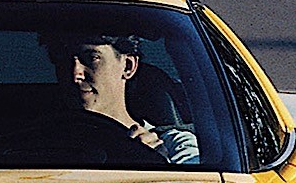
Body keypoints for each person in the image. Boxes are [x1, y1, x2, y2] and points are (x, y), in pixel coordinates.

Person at [42, 32, 199, 164]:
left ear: (128, 66)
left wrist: (159, 163)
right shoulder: (37, 146)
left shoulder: (175, 147)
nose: (75, 74)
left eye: (91, 58)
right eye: (62, 60)